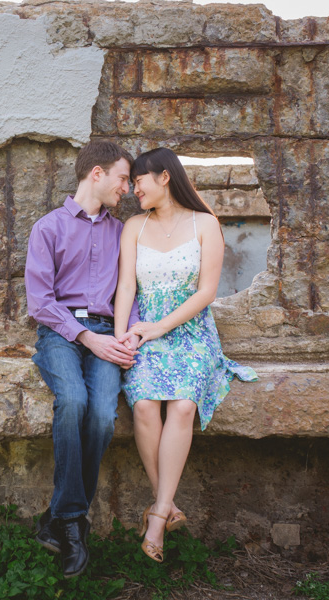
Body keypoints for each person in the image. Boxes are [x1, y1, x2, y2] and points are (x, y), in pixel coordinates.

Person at [113, 148, 257, 563]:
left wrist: (160, 328)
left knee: (181, 406)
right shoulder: (133, 227)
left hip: (190, 332)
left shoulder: (205, 223)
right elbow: (126, 288)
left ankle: (157, 516)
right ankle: (167, 504)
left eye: (138, 180)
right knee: (142, 404)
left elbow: (206, 292)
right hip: (144, 332)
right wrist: (124, 337)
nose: (133, 189)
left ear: (163, 177)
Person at [25, 139, 141, 578]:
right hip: (60, 332)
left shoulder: (122, 231)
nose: (127, 189)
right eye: (123, 178)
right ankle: (74, 523)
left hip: (108, 333)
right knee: (72, 400)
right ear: (97, 174)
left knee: (103, 416)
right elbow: (40, 302)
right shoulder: (49, 228)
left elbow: (132, 290)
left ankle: (61, 518)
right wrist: (86, 339)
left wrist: (121, 337)